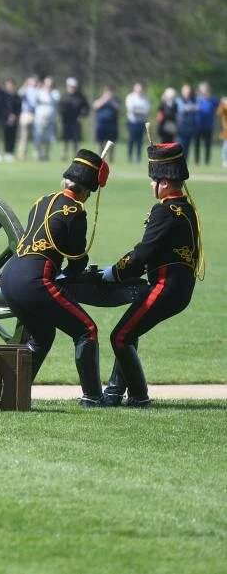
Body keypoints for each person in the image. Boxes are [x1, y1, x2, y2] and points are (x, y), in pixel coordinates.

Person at [0, 149, 110, 407]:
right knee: (86, 330)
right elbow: (76, 258)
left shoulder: (42, 200)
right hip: (36, 280)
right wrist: (71, 276)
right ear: (86, 191)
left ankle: (14, 393)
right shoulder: (76, 211)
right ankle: (93, 397)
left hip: (10, 276)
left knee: (42, 336)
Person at [99, 142, 202, 408]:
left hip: (166, 286)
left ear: (164, 183)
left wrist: (114, 273)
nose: (151, 185)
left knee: (119, 336)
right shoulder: (187, 208)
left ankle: (139, 396)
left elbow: (143, 253)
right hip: (178, 288)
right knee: (128, 333)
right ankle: (113, 393)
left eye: (153, 179)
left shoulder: (164, 211)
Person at [58, 77, 89, 160]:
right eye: (71, 86)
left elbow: (86, 108)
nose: (72, 88)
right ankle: (64, 155)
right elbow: (60, 108)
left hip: (76, 121)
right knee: (65, 139)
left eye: (74, 87)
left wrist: (82, 116)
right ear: (67, 86)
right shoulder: (64, 96)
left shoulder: (81, 97)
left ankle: (76, 155)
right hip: (66, 121)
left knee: (76, 139)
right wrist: (62, 114)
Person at [124, 83, 150, 164]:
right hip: (132, 122)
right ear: (134, 89)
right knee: (131, 140)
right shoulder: (130, 97)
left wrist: (138, 110)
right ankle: (130, 158)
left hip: (141, 122)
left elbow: (146, 110)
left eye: (140, 90)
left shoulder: (145, 99)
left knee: (140, 141)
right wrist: (140, 111)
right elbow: (131, 109)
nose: (139, 91)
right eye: (138, 90)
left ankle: (138, 158)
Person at [92, 84, 120, 154]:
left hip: (112, 125)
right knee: (100, 142)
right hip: (101, 124)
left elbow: (117, 107)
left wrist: (110, 100)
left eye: (110, 91)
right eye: (107, 91)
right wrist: (104, 99)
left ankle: (111, 157)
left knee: (111, 142)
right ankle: (100, 157)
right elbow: (95, 106)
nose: (109, 93)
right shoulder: (99, 98)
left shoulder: (115, 100)